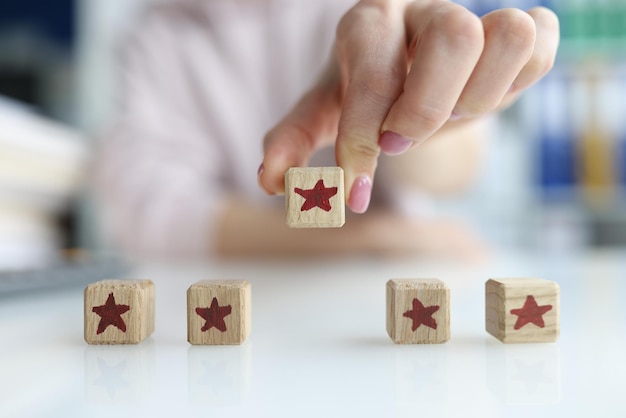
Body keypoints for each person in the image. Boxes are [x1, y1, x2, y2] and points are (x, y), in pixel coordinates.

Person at [96, 0, 559, 259]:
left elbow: (460, 170)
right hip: (235, 310)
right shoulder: (154, 33)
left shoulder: (382, 8)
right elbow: (152, 217)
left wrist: (420, 115)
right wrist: (381, 241)